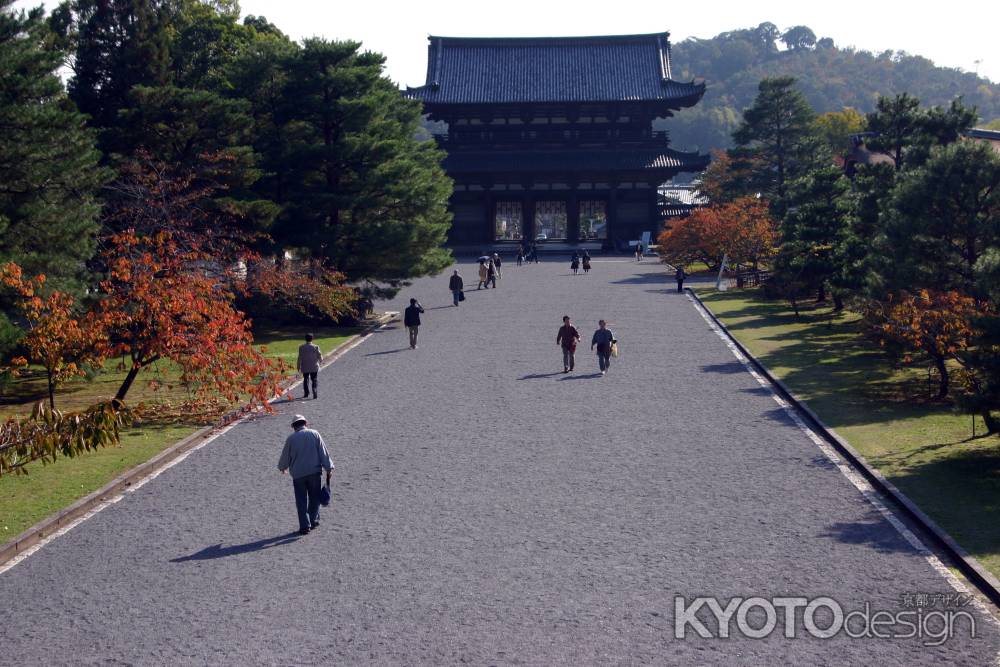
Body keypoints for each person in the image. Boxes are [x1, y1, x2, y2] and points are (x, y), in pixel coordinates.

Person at [278, 414, 333, 535]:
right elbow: (323, 452)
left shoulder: (291, 439)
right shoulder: (314, 434)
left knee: (301, 500)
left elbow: (285, 457)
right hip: (314, 472)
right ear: (305, 423)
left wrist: (282, 467)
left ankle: (304, 526)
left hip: (298, 475)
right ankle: (313, 520)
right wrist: (329, 468)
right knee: (314, 498)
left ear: (293, 426)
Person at [296, 334, 323, 400]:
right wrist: (321, 361)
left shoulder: (301, 347)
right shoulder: (316, 347)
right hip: (314, 366)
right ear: (312, 339)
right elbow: (320, 356)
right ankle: (314, 389)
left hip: (305, 366)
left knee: (305, 378)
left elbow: (299, 357)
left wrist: (298, 366)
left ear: (305, 339)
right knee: (314, 378)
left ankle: (306, 392)